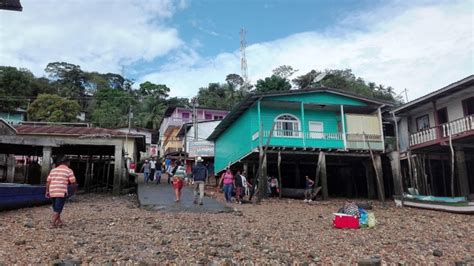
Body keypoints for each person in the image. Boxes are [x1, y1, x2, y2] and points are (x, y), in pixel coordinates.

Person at [45, 155, 77, 228]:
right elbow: (73, 182)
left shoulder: (53, 170)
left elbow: (48, 182)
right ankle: (52, 224)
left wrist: (47, 191)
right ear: (67, 162)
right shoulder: (69, 170)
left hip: (52, 191)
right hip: (61, 191)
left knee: (55, 207)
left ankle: (59, 222)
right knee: (58, 208)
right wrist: (74, 190)